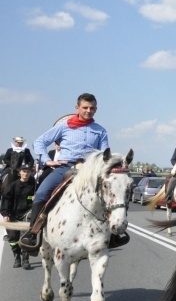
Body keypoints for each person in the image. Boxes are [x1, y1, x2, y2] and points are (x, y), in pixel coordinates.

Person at [20, 93, 115, 250]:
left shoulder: (100, 131)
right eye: (85, 107)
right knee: (42, 193)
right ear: (77, 108)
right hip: (65, 167)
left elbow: (104, 154)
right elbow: (39, 142)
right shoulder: (64, 126)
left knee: (110, 194)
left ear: (96, 109)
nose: (88, 111)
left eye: (92, 108)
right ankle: (33, 234)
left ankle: (113, 234)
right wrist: (47, 160)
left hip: (89, 169)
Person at [2, 160, 36, 269]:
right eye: (24, 171)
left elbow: (40, 197)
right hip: (12, 215)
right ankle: (17, 257)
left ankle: (25, 259)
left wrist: (36, 197)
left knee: (25, 237)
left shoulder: (34, 185)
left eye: (28, 171)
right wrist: (5, 214)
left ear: (31, 173)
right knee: (12, 238)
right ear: (19, 173)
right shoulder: (12, 186)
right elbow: (6, 200)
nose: (26, 173)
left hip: (27, 214)